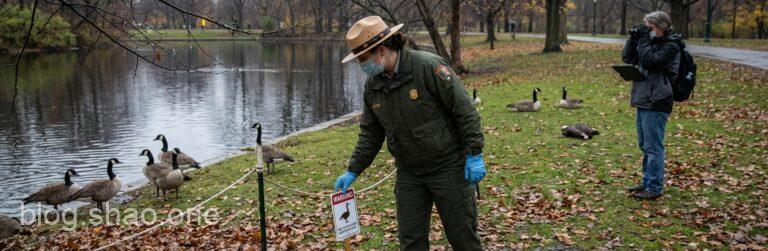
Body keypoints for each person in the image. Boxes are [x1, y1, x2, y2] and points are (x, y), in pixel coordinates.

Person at [333, 16, 485, 250]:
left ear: (381, 50)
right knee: (411, 242)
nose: (361, 65)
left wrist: (474, 154)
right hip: (409, 174)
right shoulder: (373, 86)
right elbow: (370, 135)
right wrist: (353, 169)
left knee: (463, 239)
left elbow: (465, 111)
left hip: (448, 168)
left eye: (362, 59)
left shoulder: (429, 67)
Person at [621, 11, 681, 200]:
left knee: (654, 147)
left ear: (661, 28)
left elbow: (649, 61)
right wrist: (633, 39)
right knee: (645, 145)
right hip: (644, 99)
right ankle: (647, 181)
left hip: (658, 101)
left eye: (650, 28)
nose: (647, 31)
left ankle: (654, 188)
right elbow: (628, 58)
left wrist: (644, 40)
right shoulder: (651, 43)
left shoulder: (671, 46)